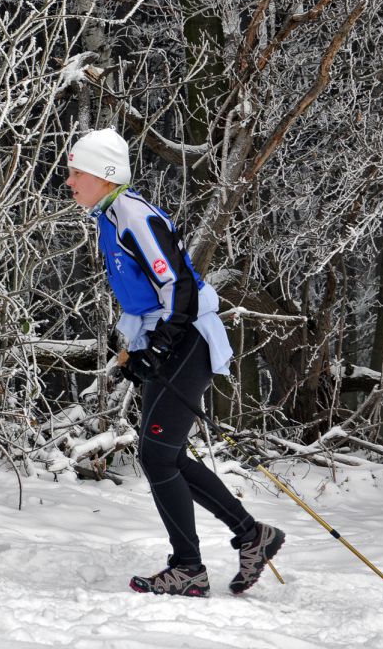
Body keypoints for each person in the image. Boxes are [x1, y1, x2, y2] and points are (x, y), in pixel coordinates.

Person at [65, 127, 285, 598]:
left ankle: (190, 566)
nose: (69, 181)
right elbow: (142, 296)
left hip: (188, 337)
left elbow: (179, 287)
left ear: (104, 175)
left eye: (75, 172)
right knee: (163, 454)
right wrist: (134, 347)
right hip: (170, 338)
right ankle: (251, 535)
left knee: (156, 454)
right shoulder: (111, 216)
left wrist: (160, 346)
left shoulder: (133, 217)